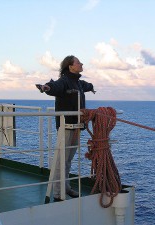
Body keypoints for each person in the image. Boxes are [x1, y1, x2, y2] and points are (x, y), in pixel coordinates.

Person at [37, 55, 94, 202]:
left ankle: (66, 186)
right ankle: (57, 192)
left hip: (77, 126)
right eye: (78, 62)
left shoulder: (78, 83)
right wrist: (46, 87)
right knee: (61, 160)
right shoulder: (64, 81)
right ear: (70, 66)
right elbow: (54, 87)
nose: (81, 63)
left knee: (68, 160)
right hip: (66, 126)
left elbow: (86, 85)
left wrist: (91, 87)